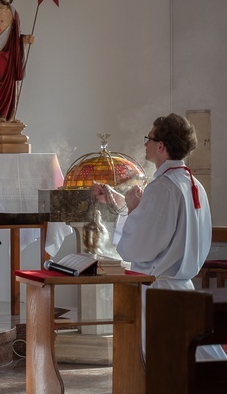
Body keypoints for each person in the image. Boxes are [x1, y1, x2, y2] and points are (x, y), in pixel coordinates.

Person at [92, 113, 226, 361]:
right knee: (194, 358)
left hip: (159, 293)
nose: (145, 144)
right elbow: (161, 226)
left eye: (149, 139)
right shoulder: (192, 182)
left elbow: (140, 247)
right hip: (182, 286)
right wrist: (120, 200)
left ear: (161, 146)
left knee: (163, 365)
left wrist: (132, 208)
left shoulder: (163, 186)